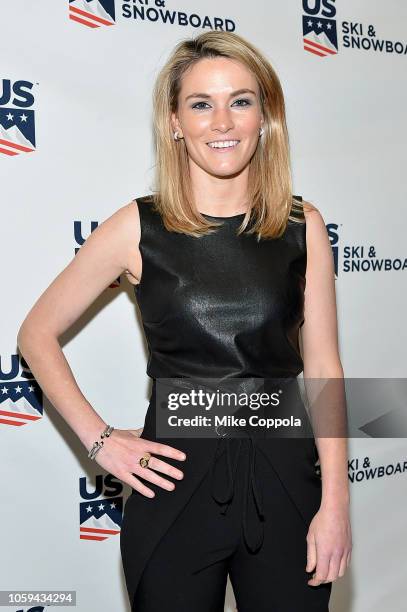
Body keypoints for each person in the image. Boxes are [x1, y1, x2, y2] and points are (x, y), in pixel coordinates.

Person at [17, 31, 352, 612]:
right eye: (201, 104)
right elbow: (35, 333)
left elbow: (324, 367)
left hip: (287, 478)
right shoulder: (136, 227)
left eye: (241, 101)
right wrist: (101, 443)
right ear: (174, 121)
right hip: (172, 484)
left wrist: (337, 504)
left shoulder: (304, 226)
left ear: (265, 117)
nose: (221, 121)